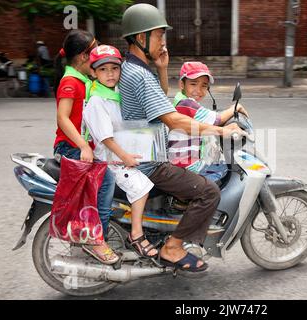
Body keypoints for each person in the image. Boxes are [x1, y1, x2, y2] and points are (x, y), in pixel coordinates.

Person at [119, 3, 245, 272]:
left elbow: (158, 99)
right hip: (149, 162)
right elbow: (174, 119)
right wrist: (223, 130)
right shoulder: (139, 74)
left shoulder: (134, 68)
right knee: (209, 191)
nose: (163, 42)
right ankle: (173, 248)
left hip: (142, 152)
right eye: (159, 36)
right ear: (142, 38)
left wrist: (162, 68)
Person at [83, 44, 158, 258]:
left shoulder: (114, 94)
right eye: (103, 69)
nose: (110, 74)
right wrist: (125, 157)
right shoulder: (97, 100)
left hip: (119, 155)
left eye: (114, 69)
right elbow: (105, 137)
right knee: (141, 186)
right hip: (109, 161)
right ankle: (136, 234)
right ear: (93, 72)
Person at [52, 30, 119, 265]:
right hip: (70, 147)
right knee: (107, 179)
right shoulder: (70, 82)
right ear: (83, 57)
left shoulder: (84, 80)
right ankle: (96, 239)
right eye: (94, 51)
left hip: (81, 145)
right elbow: (63, 118)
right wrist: (83, 146)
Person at [169, 61, 249, 181]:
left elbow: (207, 117)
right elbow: (218, 119)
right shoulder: (186, 104)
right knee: (223, 168)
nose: (199, 90)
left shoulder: (180, 100)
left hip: (179, 162)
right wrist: (236, 107)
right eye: (193, 84)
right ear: (182, 84)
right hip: (189, 166)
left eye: (204, 85)